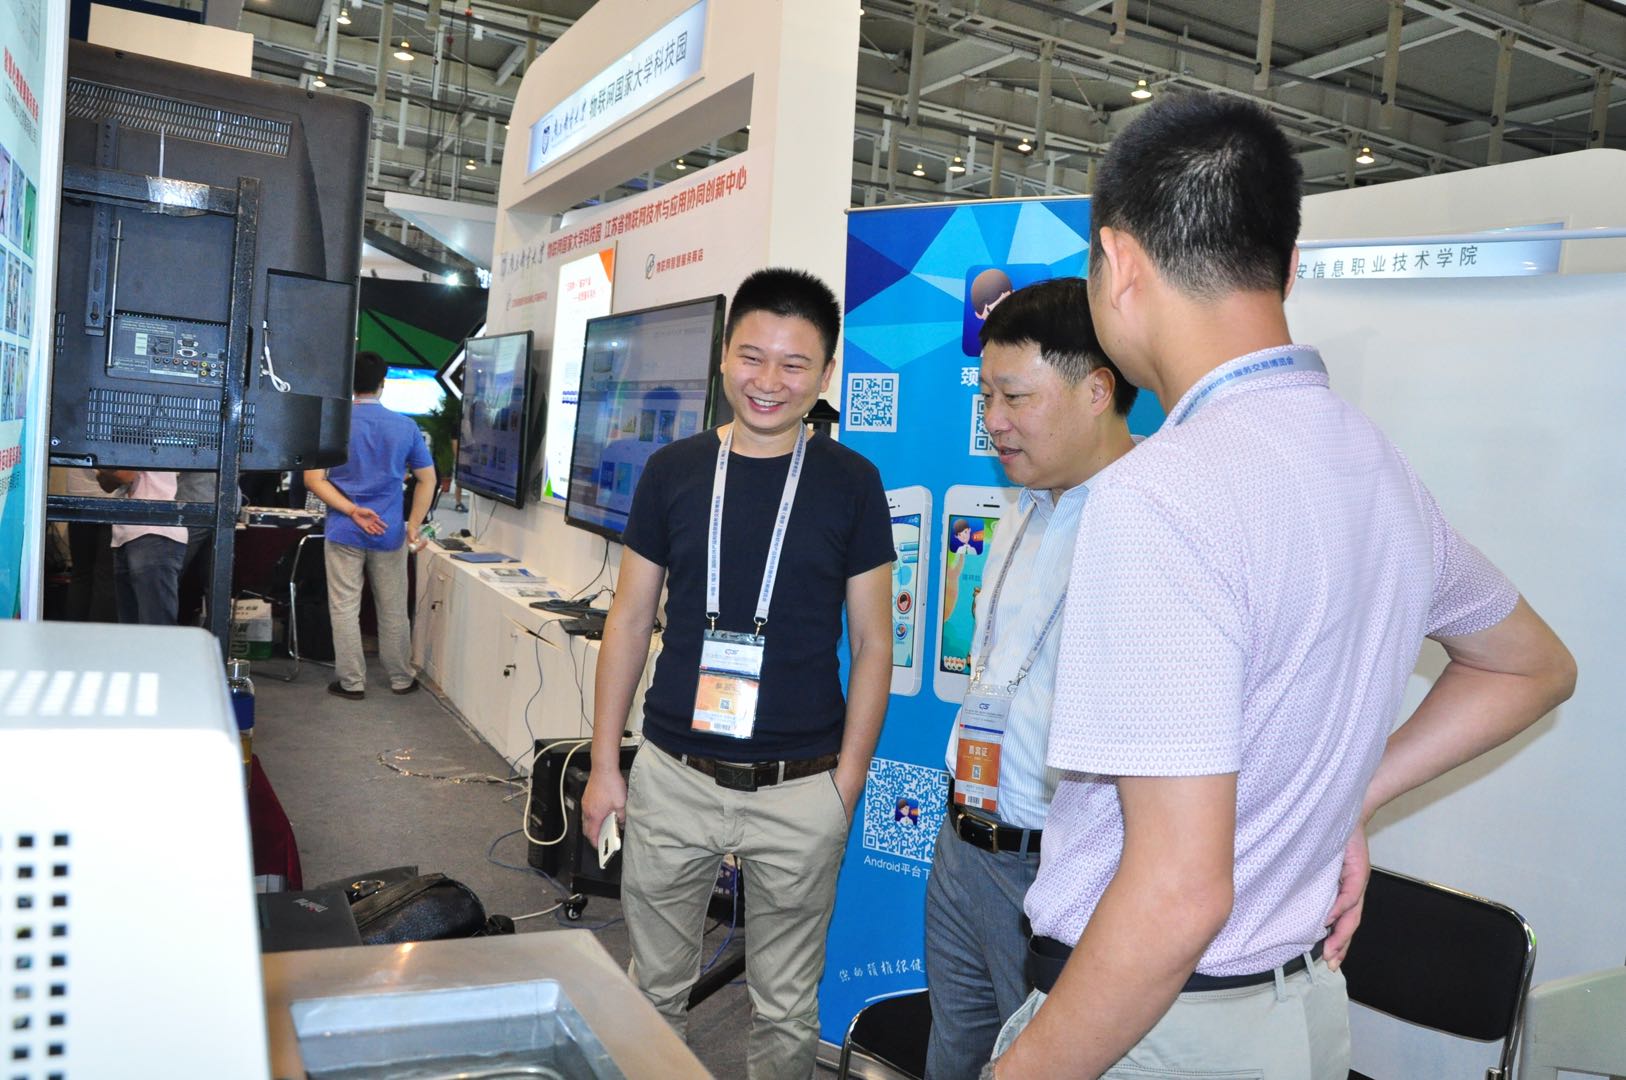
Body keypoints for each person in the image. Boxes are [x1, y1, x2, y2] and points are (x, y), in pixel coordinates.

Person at [987, 93, 1576, 1080]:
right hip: (1294, 1015)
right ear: (1288, 265)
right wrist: (1351, 795)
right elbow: (1533, 666)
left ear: (1118, 265)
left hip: (1156, 1030)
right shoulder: (1375, 466)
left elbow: (1177, 896)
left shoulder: (1159, 493)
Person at [581, 268, 895, 1080]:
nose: (769, 381)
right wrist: (606, 764)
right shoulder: (673, 470)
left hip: (802, 788)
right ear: (725, 356)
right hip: (676, 776)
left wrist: (847, 783)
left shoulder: (852, 483)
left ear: (826, 373)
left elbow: (872, 643)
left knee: (786, 1010)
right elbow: (628, 619)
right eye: (753, 357)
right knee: (653, 992)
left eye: (794, 364)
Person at [923, 278, 1136, 1080]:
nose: (994, 420)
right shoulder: (1021, 505)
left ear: (1097, 390)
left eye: (1014, 396)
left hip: (1060, 869)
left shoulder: (1148, 524)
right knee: (955, 1050)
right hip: (964, 843)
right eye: (986, 396)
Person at [304, 350, 436, 700]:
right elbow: (428, 479)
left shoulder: (333, 424)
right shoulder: (405, 426)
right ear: (383, 383)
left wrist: (351, 510)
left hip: (344, 528)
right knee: (393, 608)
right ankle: (401, 677)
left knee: (344, 606)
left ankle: (351, 682)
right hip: (389, 530)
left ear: (349, 382)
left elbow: (313, 479)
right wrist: (414, 524)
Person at [97, 468, 187, 625]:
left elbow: (125, 474)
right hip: (128, 533)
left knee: (155, 627)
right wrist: (102, 465)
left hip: (153, 532)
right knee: (132, 629)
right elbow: (107, 484)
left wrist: (95, 460)